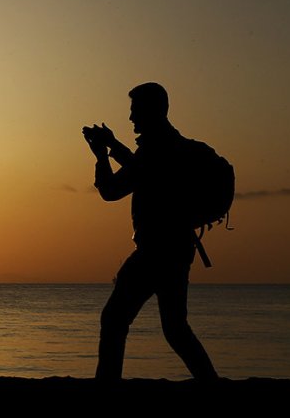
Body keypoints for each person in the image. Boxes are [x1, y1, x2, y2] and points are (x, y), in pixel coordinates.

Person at [83, 82, 219, 382]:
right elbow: (137, 173)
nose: (131, 117)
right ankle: (210, 382)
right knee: (175, 328)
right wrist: (111, 147)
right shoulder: (167, 146)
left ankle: (107, 385)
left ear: (152, 110)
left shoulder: (159, 149)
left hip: (155, 251)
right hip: (178, 249)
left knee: (115, 319)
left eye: (135, 111)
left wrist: (103, 153)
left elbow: (117, 187)